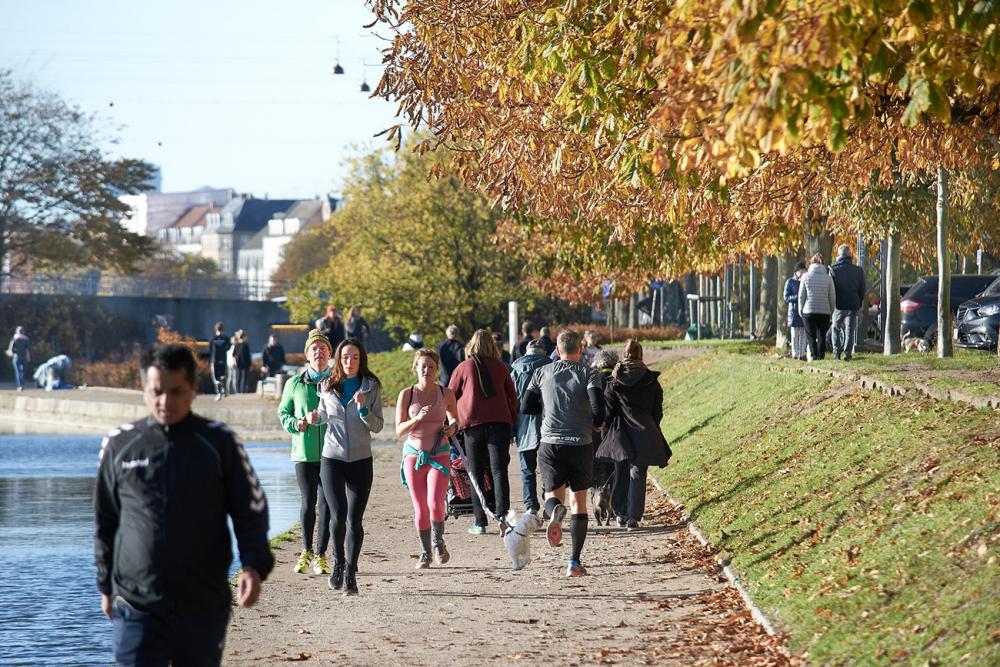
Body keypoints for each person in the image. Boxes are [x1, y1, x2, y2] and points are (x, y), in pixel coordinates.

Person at [94, 343, 273, 666]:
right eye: (157, 392)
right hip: (135, 603)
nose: (165, 402)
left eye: (176, 392)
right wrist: (105, 584)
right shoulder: (119, 445)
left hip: (201, 605)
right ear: (144, 390)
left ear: (192, 389)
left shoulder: (219, 443)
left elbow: (251, 511)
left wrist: (253, 565)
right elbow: (105, 521)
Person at [520, 329, 605, 577]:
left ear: (557, 351)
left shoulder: (542, 372)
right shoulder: (590, 373)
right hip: (580, 443)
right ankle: (574, 562)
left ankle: (555, 511)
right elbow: (599, 408)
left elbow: (526, 406)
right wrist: (597, 423)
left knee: (552, 496)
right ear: (580, 350)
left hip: (551, 444)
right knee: (578, 503)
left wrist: (547, 406)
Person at [308, 337, 383, 596]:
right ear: (338, 359)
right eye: (345, 357)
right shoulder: (327, 385)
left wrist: (364, 410)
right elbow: (323, 416)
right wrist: (316, 418)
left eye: (355, 358)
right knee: (337, 516)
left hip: (361, 460)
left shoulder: (371, 386)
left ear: (361, 360)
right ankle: (338, 563)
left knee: (354, 520)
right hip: (332, 459)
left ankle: (351, 573)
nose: (349, 362)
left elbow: (378, 426)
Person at [448, 329, 518, 535]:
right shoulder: (501, 367)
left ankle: (480, 521)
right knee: (499, 471)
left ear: (471, 345)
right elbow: (512, 397)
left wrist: (452, 419)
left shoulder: (463, 367)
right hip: (500, 423)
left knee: (475, 472)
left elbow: (450, 394)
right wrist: (512, 423)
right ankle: (503, 516)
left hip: (473, 425)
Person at [395, 348, 460, 568]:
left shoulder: (446, 393)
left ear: (436, 369)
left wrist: (452, 428)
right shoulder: (407, 394)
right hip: (414, 456)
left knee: (435, 503)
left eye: (431, 366)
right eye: (422, 366)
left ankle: (438, 541)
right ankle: (425, 552)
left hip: (440, 454)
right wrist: (417, 419)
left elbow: (455, 420)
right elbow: (399, 429)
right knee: (421, 507)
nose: (427, 370)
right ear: (415, 368)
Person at [277, 330, 334, 576]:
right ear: (307, 355)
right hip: (303, 452)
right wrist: (297, 423)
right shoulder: (295, 383)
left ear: (330, 354)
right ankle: (306, 550)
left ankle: (321, 555)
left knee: (327, 503)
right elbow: (283, 414)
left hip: (332, 453)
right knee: (308, 502)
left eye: (323, 348)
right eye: (314, 349)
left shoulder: (337, 381)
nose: (319, 352)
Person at [598, 340, 670, 531]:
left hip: (620, 432)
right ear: (641, 355)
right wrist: (653, 426)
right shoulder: (651, 381)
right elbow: (657, 410)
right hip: (644, 431)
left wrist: (605, 432)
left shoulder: (614, 380)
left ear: (624, 355)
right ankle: (633, 517)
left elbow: (609, 411)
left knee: (620, 471)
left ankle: (620, 513)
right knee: (639, 474)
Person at [510, 338, 552, 516]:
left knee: (527, 469)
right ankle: (549, 502)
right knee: (548, 467)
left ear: (526, 353)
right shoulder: (552, 367)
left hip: (523, 425)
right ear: (544, 352)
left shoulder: (516, 371)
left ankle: (531, 507)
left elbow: (511, 401)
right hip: (549, 425)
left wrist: (512, 429)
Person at [829, 244, 867, 361]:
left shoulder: (833, 270)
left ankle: (836, 352)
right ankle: (847, 353)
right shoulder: (858, 270)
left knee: (836, 327)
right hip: (853, 303)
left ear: (838, 255)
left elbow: (831, 289)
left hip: (838, 304)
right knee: (850, 329)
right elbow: (862, 289)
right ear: (850, 255)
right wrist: (859, 301)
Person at [798, 253, 837, 361]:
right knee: (822, 336)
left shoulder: (805, 277)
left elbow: (801, 296)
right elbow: (832, 297)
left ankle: (814, 355)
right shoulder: (828, 278)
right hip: (824, 312)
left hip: (808, 311)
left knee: (810, 336)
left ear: (811, 263)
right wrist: (831, 310)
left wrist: (800, 310)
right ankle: (821, 356)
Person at [783, 261, 808, 361]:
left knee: (803, 334)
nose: (803, 272)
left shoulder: (806, 280)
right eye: (802, 270)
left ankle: (801, 354)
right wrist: (798, 297)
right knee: (794, 335)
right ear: (797, 271)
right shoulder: (790, 282)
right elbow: (786, 297)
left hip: (803, 311)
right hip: (793, 312)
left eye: (804, 270)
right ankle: (795, 353)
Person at [208, 322, 229, 400]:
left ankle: (219, 393)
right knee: (222, 376)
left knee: (216, 378)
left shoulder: (212, 339)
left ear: (215, 329)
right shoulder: (226, 339)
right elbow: (228, 348)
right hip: (223, 360)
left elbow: (210, 350)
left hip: (215, 360)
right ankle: (224, 387)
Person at [6, 326, 30, 391]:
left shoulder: (14, 338)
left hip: (16, 357)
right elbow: (27, 350)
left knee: (18, 372)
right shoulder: (26, 339)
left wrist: (9, 353)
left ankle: (19, 386)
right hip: (24, 357)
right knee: (23, 372)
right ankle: (23, 384)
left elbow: (11, 349)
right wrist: (28, 357)